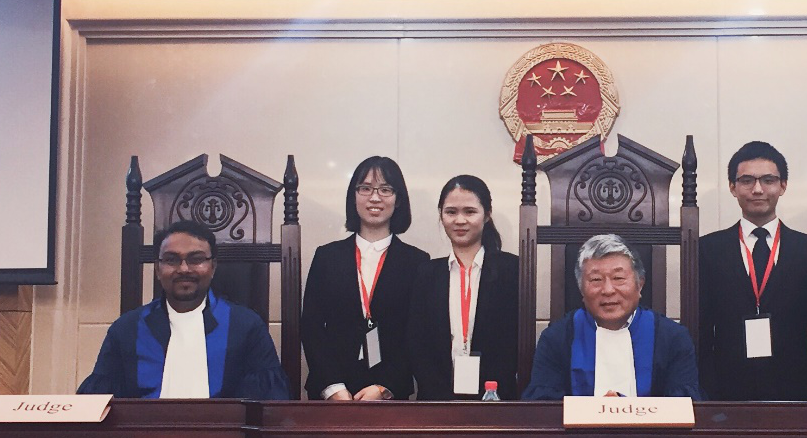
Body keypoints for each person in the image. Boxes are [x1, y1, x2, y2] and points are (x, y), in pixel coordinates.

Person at [79, 219, 288, 400]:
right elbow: (97, 405)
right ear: (157, 269)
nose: (184, 269)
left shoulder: (246, 327)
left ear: (213, 267)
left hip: (223, 433)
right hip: (145, 434)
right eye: (171, 260)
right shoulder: (127, 329)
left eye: (196, 259)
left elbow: (269, 407)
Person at [698, 141, 807, 400]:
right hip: (725, 393)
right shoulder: (707, 250)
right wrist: (706, 396)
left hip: (797, 392)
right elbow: (701, 333)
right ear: (733, 187)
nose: (758, 189)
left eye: (768, 180)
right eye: (747, 180)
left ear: (783, 186)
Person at [300, 156, 429, 401]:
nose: (375, 197)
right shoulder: (327, 256)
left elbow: (418, 334)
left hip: (390, 396)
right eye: (366, 188)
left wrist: (384, 387)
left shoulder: (417, 262)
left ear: (399, 199)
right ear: (354, 196)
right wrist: (332, 388)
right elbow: (312, 327)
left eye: (385, 189)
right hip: (332, 393)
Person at [523, 234, 701, 400]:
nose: (608, 290)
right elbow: (543, 409)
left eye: (618, 278)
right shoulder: (556, 339)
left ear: (640, 285)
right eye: (596, 280)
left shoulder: (673, 338)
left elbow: (685, 408)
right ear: (581, 289)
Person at [407, 175, 519, 399]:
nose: (460, 220)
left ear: (487, 214)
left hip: (496, 399)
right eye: (451, 212)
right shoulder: (426, 273)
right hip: (436, 401)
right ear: (441, 215)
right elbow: (416, 343)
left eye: (469, 212)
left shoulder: (512, 270)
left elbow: (515, 342)